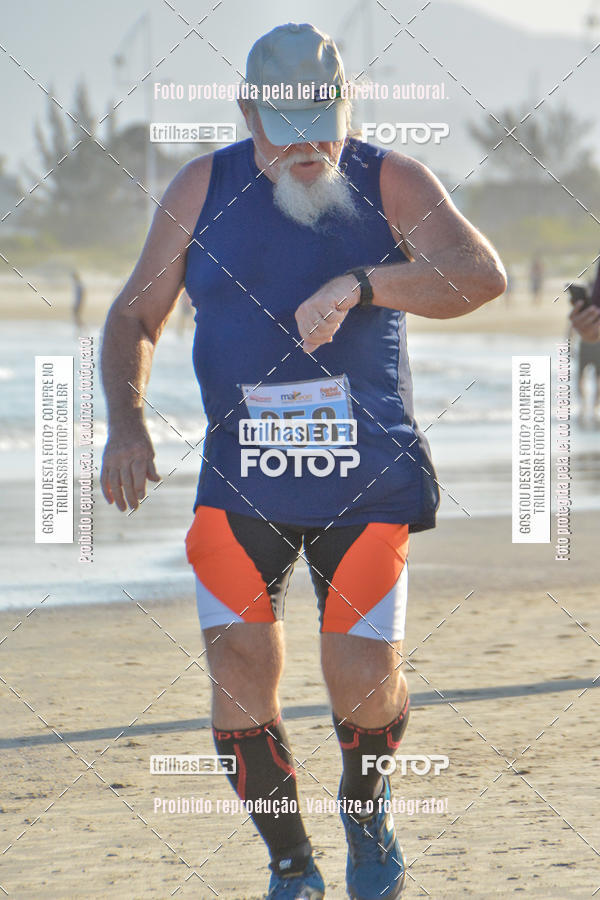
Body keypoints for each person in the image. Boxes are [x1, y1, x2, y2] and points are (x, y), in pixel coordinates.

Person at [100, 23, 506, 900]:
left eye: (322, 121)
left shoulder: (391, 179)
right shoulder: (198, 190)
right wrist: (127, 423)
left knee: (361, 677)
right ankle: (292, 866)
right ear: (248, 112)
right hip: (241, 480)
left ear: (345, 103)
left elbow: (480, 274)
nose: (306, 145)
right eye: (283, 127)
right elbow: (133, 317)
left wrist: (364, 283)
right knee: (239, 674)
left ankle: (368, 819)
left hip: (367, 481)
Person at [570, 260, 600, 419]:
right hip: (587, 344)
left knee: (595, 377)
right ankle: (586, 405)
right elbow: (573, 327)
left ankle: (593, 405)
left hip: (593, 346)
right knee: (585, 376)